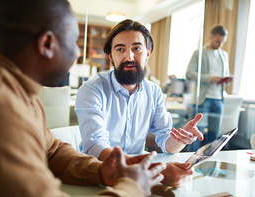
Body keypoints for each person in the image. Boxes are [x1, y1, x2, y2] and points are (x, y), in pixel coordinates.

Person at [0, 1, 167, 196]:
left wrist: (101, 171)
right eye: (73, 41)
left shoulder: (22, 92)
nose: (77, 54)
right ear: (47, 44)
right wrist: (132, 188)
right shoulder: (0, 103)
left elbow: (52, 151)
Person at [75, 19, 204, 188]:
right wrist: (152, 168)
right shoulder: (91, 90)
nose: (129, 56)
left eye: (136, 48)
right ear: (111, 57)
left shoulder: (155, 92)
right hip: (99, 176)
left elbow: (167, 142)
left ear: (148, 53)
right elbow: (96, 146)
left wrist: (182, 139)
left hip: (140, 179)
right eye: (120, 49)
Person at [186, 24, 232, 152]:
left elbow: (226, 72)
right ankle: (191, 162)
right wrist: (210, 78)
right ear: (210, 37)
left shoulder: (224, 54)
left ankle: (209, 163)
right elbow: (189, 73)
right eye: (218, 41)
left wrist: (226, 80)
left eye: (222, 42)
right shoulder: (199, 53)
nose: (220, 44)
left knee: (214, 135)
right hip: (203, 99)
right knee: (196, 134)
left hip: (218, 99)